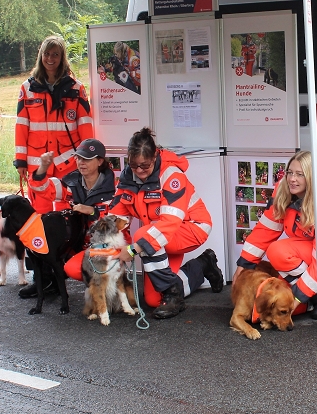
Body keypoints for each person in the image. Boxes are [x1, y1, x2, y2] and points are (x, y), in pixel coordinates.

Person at [111, 128, 223, 319]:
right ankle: (202, 265)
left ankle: (173, 295)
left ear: (154, 157)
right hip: (159, 238)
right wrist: (107, 246)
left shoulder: (172, 176)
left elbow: (170, 223)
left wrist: (132, 249)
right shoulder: (127, 176)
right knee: (153, 300)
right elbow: (116, 215)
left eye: (144, 165)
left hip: (192, 227)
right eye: (134, 165)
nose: (139, 171)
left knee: (142, 235)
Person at [232, 150, 317, 314]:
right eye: (290, 172)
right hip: (309, 250)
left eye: (300, 174)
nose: (292, 179)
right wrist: (243, 265)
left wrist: (298, 298)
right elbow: (266, 229)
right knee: (277, 301)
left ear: (311, 177)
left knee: (280, 256)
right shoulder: (284, 188)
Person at [24, 138, 117, 296]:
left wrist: (93, 212)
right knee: (45, 240)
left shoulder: (115, 188)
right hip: (79, 244)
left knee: (86, 266)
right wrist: (43, 167)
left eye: (87, 159)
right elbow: (41, 188)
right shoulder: (71, 183)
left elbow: (119, 225)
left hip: (108, 245)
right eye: (79, 158)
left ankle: (108, 290)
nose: (81, 162)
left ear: (100, 161)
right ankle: (49, 282)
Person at [14, 35, 94, 213]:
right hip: (38, 163)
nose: (50, 58)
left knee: (69, 211)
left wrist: (88, 157)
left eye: (55, 54)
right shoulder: (27, 89)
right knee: (40, 212)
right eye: (47, 54)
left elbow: (85, 125)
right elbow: (21, 126)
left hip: (68, 161)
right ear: (41, 56)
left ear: (62, 57)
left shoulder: (76, 88)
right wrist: (20, 161)